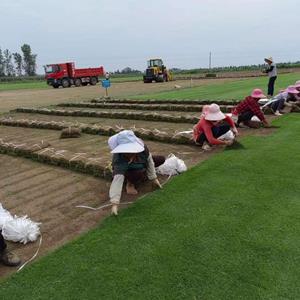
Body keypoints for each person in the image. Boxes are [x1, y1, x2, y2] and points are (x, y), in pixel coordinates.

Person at [108, 130, 165, 215]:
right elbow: (117, 180)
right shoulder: (119, 159)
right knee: (138, 173)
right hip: (128, 170)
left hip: (140, 163)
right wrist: (114, 204)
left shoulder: (143, 149)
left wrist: (154, 179)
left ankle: (144, 173)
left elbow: (149, 161)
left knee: (161, 159)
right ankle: (130, 183)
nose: (130, 152)